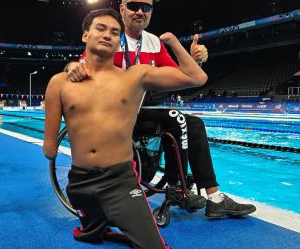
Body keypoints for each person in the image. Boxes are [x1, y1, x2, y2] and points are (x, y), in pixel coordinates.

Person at [65, 0, 256, 218]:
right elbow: (82, 65)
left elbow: (181, 76)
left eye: (146, 8)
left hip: (138, 113)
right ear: (122, 9)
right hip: (109, 118)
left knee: (194, 124)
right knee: (175, 118)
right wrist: (71, 66)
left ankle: (214, 198)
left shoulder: (154, 43)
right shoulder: (111, 36)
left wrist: (193, 60)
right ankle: (176, 188)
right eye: (134, 5)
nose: (140, 11)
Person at [44, 8, 207, 249]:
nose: (108, 35)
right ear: (85, 36)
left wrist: (173, 42)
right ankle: (99, 219)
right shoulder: (60, 82)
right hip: (79, 185)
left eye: (115, 32)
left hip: (120, 182)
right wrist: (70, 66)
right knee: (91, 235)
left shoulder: (135, 77)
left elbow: (197, 77)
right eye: (100, 28)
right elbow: (49, 149)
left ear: (119, 41)